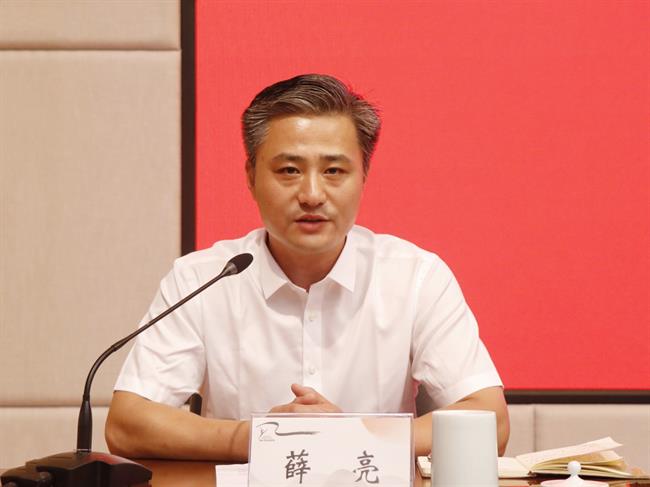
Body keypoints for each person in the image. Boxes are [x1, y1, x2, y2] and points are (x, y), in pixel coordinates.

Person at [105, 74, 509, 461]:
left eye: (334, 171)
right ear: (251, 177)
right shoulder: (202, 278)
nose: (312, 194)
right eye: (289, 170)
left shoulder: (415, 277)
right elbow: (127, 424)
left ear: (363, 176)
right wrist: (256, 437)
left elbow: (490, 421)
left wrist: (356, 435)